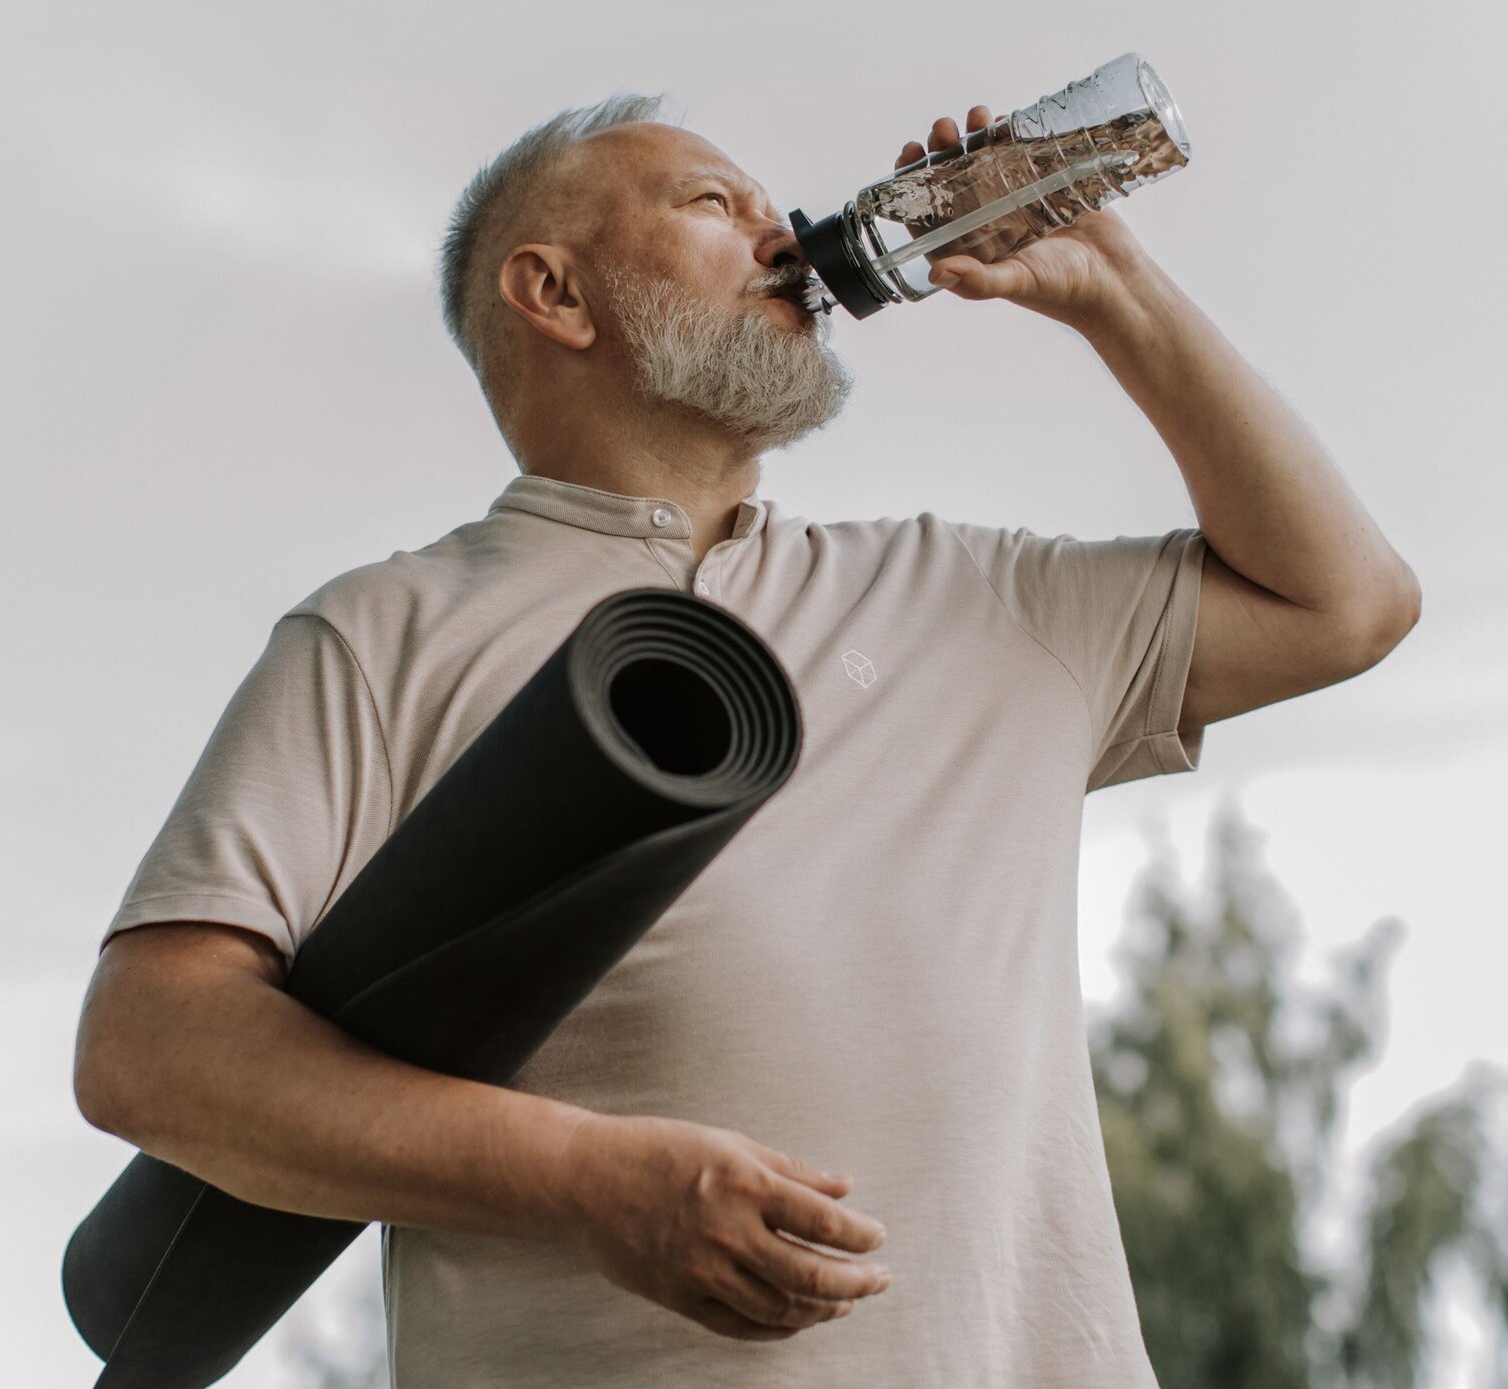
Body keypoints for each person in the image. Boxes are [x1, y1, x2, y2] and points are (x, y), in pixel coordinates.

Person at [71, 93, 1420, 1388]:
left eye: (775, 206)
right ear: (554, 293)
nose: (784, 237)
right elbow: (150, 1049)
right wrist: (585, 1179)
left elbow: (1345, 602)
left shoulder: (980, 596)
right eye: (712, 203)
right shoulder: (387, 632)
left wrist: (1115, 287)